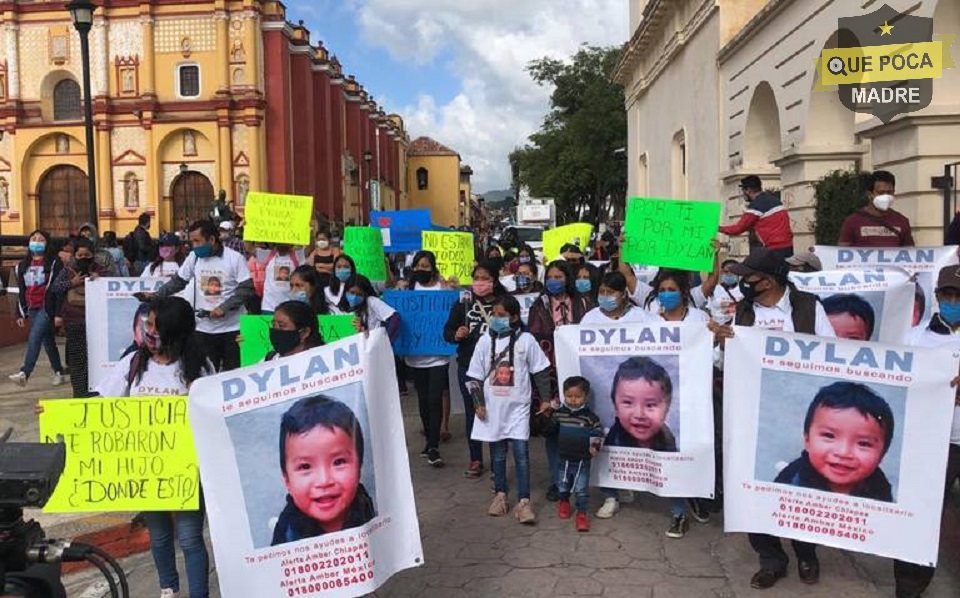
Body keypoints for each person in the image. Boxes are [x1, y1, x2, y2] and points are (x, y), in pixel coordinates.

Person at [710, 248, 836, 589]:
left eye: (748, 277)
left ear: (768, 281)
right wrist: (722, 343)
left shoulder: (808, 307)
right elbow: (725, 363)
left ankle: (806, 552)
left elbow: (832, 355)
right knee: (754, 487)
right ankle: (770, 558)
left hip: (799, 415)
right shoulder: (744, 311)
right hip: (752, 415)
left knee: (801, 487)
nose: (742, 283)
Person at [94, 296, 212, 598]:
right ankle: (168, 588)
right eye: (147, 324)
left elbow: (213, 414)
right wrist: (59, 416)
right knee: (159, 537)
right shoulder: (133, 363)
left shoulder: (199, 368)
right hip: (146, 468)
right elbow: (101, 405)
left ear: (174, 329)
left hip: (187, 467)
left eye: (154, 325)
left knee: (189, 539)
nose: (148, 331)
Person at [893, 264, 960, 597]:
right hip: (931, 441)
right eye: (946, 294)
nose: (951, 301)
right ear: (936, 297)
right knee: (920, 512)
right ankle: (909, 585)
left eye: (958, 296)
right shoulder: (915, 337)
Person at [466, 295, 552, 524]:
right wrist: (478, 403)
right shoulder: (484, 342)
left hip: (518, 409)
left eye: (502, 315)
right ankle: (500, 496)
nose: (496, 318)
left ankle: (524, 502)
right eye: (494, 314)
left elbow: (541, 371)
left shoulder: (526, 341)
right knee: (497, 454)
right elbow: (473, 376)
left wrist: (545, 399)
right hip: (492, 409)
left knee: (522, 455)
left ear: (514, 317)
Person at [527, 261, 595, 501]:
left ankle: (581, 480)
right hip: (552, 377)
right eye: (550, 276)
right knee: (554, 430)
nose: (554, 280)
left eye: (559, 276)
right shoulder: (539, 305)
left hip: (580, 373)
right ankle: (559, 481)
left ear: (568, 278)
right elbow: (533, 341)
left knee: (578, 428)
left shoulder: (585, 303)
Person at [271, 395, 376, 545]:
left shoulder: (367, 510)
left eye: (338, 462)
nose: (324, 480)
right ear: (287, 480)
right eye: (305, 466)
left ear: (359, 468)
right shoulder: (287, 532)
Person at [153, 220, 254, 372]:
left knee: (232, 373)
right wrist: (156, 295)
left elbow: (246, 289)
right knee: (206, 374)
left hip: (233, 329)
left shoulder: (234, 258)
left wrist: (224, 308)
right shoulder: (194, 257)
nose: (193, 246)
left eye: (197, 241)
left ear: (212, 240)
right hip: (203, 329)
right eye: (191, 241)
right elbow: (179, 281)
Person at [774, 382, 894, 502]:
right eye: (829, 436)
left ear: (882, 454)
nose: (843, 452)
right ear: (807, 440)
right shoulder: (791, 481)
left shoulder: (879, 487)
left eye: (863, 443)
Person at [444, 262, 507, 479]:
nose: (479, 283)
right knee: (474, 411)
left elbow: (516, 328)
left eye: (485, 278)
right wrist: (456, 334)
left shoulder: (504, 303)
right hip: (469, 366)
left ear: (494, 281)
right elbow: (447, 331)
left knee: (496, 411)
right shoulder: (463, 304)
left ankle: (498, 458)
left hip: (498, 366)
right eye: (476, 278)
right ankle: (476, 458)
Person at [404, 250, 450, 467]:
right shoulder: (408, 288)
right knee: (422, 400)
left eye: (425, 266)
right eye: (418, 266)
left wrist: (453, 291)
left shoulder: (443, 287)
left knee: (434, 398)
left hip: (439, 356)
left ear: (433, 267)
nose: (422, 269)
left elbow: (454, 308)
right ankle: (428, 440)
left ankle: (434, 446)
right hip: (416, 355)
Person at [50, 238, 108, 398]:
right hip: (74, 321)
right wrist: (72, 282)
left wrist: (100, 278)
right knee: (77, 360)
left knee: (95, 358)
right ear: (75, 255)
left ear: (93, 255)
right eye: (80, 255)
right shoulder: (67, 270)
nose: (83, 258)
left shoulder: (101, 270)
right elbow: (55, 287)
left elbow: (112, 283)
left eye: (87, 255)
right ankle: (79, 392)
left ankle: (95, 390)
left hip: (96, 321)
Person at [544, 376, 603, 532]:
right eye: (569, 396)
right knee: (563, 484)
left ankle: (582, 514)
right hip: (563, 458)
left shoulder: (590, 417)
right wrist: (549, 414)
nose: (573, 400)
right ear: (564, 395)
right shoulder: (559, 414)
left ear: (586, 397)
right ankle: (564, 502)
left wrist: (595, 446)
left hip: (582, 460)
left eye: (578, 397)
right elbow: (549, 431)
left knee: (581, 489)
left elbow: (597, 432)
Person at [9, 230, 65, 388]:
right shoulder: (22, 265)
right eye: (34, 239)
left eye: (41, 239)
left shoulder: (55, 263)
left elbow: (60, 289)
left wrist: (59, 313)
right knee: (48, 341)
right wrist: (20, 313)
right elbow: (20, 289)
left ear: (47, 243)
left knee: (34, 338)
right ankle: (59, 372)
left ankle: (24, 373)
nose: (37, 242)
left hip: (47, 307)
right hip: (31, 308)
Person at [719, 175, 794, 259]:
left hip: (774, 249)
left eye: (743, 190)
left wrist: (717, 228)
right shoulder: (774, 200)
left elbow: (738, 229)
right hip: (788, 246)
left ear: (748, 190)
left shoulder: (757, 205)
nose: (743, 193)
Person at [839, 170, 914, 248]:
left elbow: (910, 253)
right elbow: (842, 254)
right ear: (869, 194)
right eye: (880, 192)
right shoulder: (852, 221)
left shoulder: (902, 221)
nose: (886, 196)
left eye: (889, 192)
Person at [582, 271, 659, 325]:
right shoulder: (590, 318)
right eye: (601, 292)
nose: (605, 295)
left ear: (623, 294)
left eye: (610, 292)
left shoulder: (640, 316)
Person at [642, 269, 709, 323]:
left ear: (682, 292)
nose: (666, 294)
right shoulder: (652, 322)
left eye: (671, 290)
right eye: (662, 290)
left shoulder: (700, 318)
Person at [259, 244, 306, 314]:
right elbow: (249, 248)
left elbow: (310, 247)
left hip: (289, 305)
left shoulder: (296, 256)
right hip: (268, 306)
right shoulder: (268, 255)